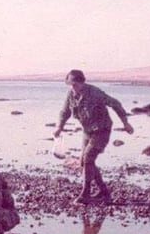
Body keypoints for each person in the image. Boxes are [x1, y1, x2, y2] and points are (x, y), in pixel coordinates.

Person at [53, 69, 134, 204]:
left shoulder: (95, 93)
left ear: (82, 82)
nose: (73, 87)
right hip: (87, 131)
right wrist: (59, 127)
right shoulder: (71, 94)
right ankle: (104, 192)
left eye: (75, 84)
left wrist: (125, 123)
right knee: (83, 162)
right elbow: (65, 111)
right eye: (70, 84)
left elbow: (115, 104)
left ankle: (86, 193)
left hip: (102, 130)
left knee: (88, 158)